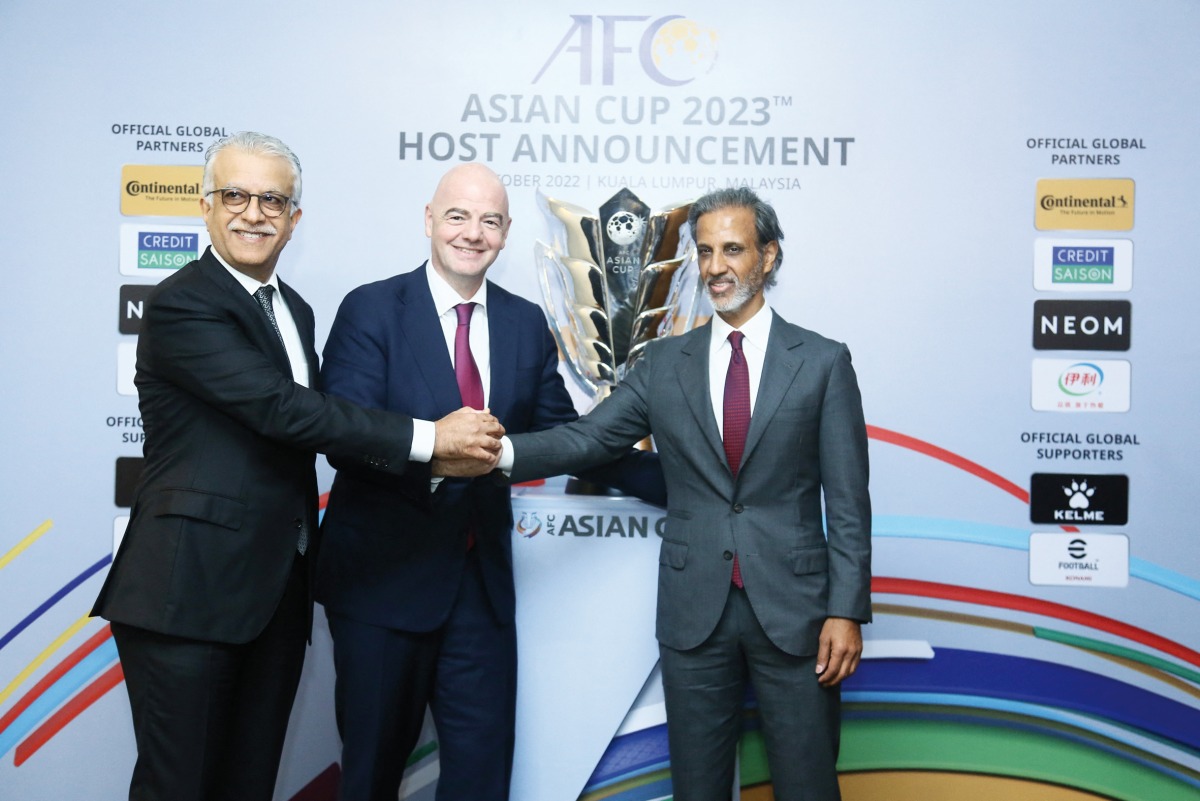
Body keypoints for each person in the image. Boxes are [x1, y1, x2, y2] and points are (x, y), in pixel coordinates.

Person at [91, 132, 502, 801]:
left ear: (294, 218)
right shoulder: (184, 302)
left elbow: (311, 422)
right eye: (236, 196)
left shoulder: (294, 308)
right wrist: (431, 437)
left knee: (248, 784)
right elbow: (284, 410)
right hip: (186, 592)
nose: (254, 213)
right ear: (205, 205)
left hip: (273, 594)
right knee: (180, 785)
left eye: (272, 200)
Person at [493, 187, 872, 801]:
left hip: (799, 614)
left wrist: (846, 609)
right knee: (696, 787)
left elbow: (850, 500)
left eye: (732, 249)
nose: (716, 266)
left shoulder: (824, 362)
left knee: (807, 784)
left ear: (768, 256)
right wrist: (498, 453)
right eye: (704, 251)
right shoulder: (663, 364)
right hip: (694, 613)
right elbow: (591, 440)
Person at [316, 162, 660, 801]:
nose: (472, 233)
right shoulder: (372, 308)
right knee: (369, 777)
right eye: (457, 216)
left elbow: (571, 440)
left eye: (490, 221)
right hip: (381, 587)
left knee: (481, 783)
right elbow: (347, 435)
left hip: (480, 593)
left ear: (504, 236)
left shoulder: (525, 322)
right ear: (428, 220)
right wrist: (436, 449)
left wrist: (683, 479)